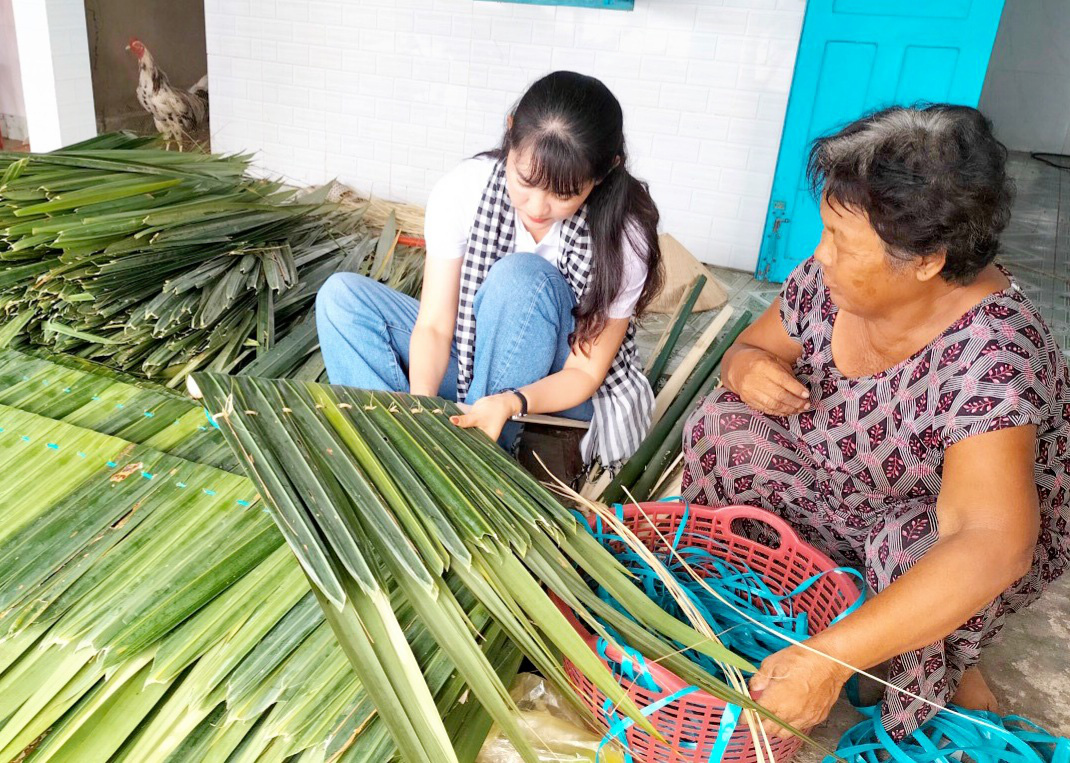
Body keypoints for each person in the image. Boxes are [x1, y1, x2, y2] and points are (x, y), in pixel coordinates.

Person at [681, 105, 1070, 740]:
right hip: (837, 481)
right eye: (826, 231)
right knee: (727, 423)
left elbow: (991, 540)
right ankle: (791, 593)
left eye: (841, 241)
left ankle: (920, 660)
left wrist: (825, 661)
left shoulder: (994, 358)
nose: (820, 256)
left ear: (926, 261)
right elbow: (751, 349)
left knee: (913, 549)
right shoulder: (829, 282)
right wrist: (746, 368)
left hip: (920, 519)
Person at [316, 71, 663, 465]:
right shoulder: (465, 188)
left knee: (521, 279)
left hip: (556, 394)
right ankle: (400, 443)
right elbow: (434, 325)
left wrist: (509, 401)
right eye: (525, 181)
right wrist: (420, 403)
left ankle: (473, 460)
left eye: (563, 194)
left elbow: (584, 374)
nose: (536, 208)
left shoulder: (624, 237)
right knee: (340, 299)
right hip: (474, 359)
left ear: (602, 174)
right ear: (511, 132)